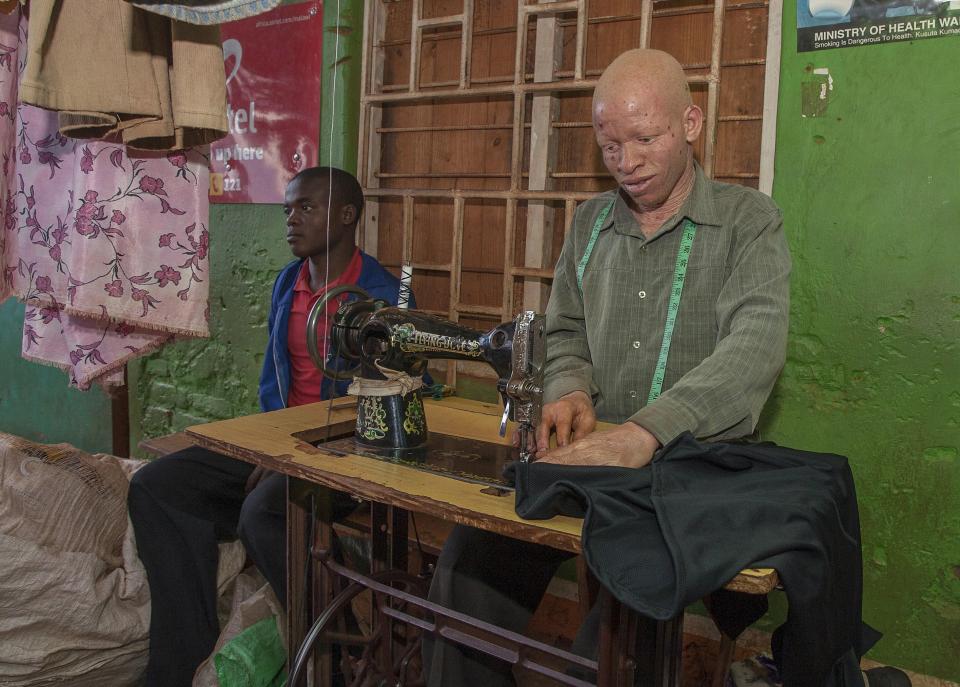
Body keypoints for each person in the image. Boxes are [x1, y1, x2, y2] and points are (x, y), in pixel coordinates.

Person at [421, 48, 793, 686]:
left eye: (645, 138)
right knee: (466, 577)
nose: (627, 161)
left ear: (692, 124)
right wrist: (568, 388)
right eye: (610, 143)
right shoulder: (591, 222)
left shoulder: (746, 222)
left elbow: (753, 348)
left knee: (612, 642)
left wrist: (643, 433)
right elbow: (565, 329)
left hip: (686, 464)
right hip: (588, 453)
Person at [128, 166, 419, 687]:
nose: (291, 220)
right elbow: (272, 384)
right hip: (283, 440)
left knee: (262, 515)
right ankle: (181, 662)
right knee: (158, 487)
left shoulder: (386, 297)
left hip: (346, 453)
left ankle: (343, 653)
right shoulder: (289, 281)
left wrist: (287, 457)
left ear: (347, 215)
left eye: (305, 207)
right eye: (288, 209)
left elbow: (379, 409)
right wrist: (268, 449)